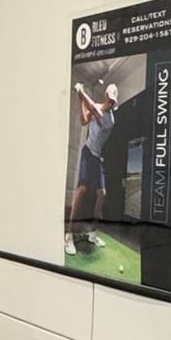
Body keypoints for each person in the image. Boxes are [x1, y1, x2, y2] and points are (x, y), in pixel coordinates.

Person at [66, 81, 118, 256]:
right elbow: (83, 120)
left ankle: (92, 234)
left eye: (114, 102)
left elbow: (95, 112)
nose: (111, 103)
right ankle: (69, 235)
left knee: (102, 194)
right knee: (81, 190)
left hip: (97, 158)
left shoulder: (110, 120)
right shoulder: (95, 105)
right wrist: (80, 98)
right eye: (110, 99)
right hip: (88, 153)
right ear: (106, 96)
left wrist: (81, 92)